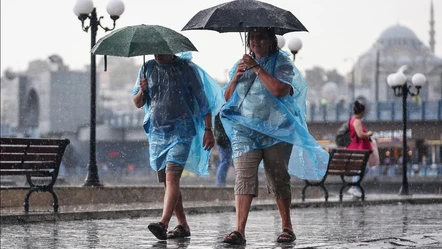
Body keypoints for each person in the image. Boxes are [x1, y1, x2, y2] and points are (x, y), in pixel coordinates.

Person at [220, 27, 329, 245]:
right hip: (245, 131)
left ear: (271, 40)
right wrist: (235, 79)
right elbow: (228, 96)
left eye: (261, 37)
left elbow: (280, 90)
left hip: (276, 130)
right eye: (252, 37)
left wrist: (256, 68)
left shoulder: (283, 64)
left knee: (277, 176)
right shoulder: (240, 64)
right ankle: (239, 230)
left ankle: (287, 226)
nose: (255, 41)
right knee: (243, 176)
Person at [132, 52, 223, 240]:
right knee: (168, 182)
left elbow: (203, 102)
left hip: (181, 132)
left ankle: (163, 223)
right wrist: (143, 90)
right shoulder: (147, 68)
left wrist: (208, 129)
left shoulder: (186, 69)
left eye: (162, 51)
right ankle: (182, 225)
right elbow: (138, 102)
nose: (158, 55)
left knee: (172, 177)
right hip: (158, 135)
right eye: (155, 51)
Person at [346, 100, 374, 198]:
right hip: (359, 148)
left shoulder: (352, 120)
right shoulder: (357, 121)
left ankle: (355, 187)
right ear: (361, 112)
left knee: (361, 168)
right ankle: (354, 187)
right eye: (363, 112)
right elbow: (360, 134)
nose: (364, 114)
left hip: (357, 147)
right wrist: (369, 134)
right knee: (362, 168)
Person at [214, 113, 232, 187]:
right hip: (224, 140)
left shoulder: (217, 112)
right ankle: (220, 183)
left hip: (221, 139)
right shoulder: (221, 113)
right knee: (225, 161)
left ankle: (220, 182)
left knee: (225, 161)